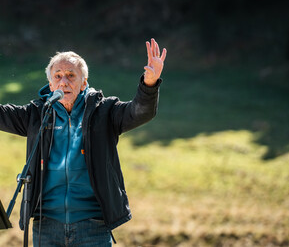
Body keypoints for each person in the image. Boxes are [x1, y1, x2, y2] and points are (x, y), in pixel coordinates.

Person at [0, 38, 166, 246]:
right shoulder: (36, 114)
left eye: (71, 75)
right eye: (58, 76)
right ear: (51, 84)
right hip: (46, 226)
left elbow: (139, 112)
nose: (64, 82)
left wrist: (149, 84)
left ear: (84, 82)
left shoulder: (104, 111)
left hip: (92, 226)